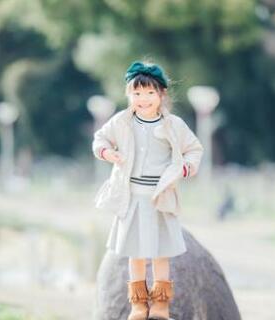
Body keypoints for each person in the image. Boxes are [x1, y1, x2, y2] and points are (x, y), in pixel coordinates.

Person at [92, 60, 204, 320]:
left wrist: (185, 168)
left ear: (161, 94)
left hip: (160, 197)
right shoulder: (121, 122)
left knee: (161, 253)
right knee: (136, 254)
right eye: (137, 93)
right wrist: (109, 153)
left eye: (150, 93)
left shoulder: (173, 124)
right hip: (132, 198)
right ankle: (138, 305)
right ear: (129, 95)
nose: (143, 99)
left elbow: (194, 149)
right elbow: (99, 139)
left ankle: (161, 305)